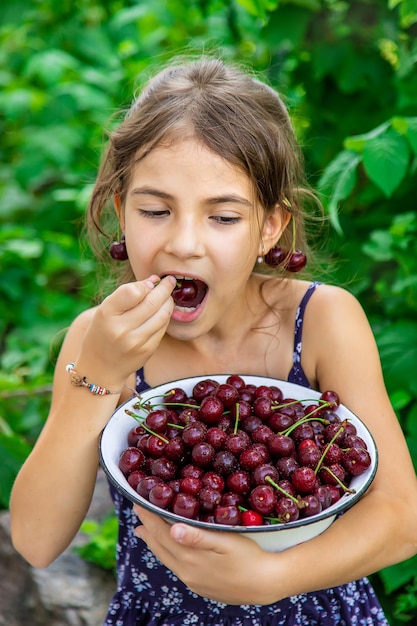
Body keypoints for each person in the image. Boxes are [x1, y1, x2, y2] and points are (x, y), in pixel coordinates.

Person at [10, 55, 417, 626]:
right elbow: (34, 539)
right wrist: (97, 374)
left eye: (222, 218)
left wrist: (274, 577)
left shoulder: (322, 321)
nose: (184, 243)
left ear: (268, 228)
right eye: (155, 210)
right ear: (121, 211)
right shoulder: (100, 342)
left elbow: (402, 517)